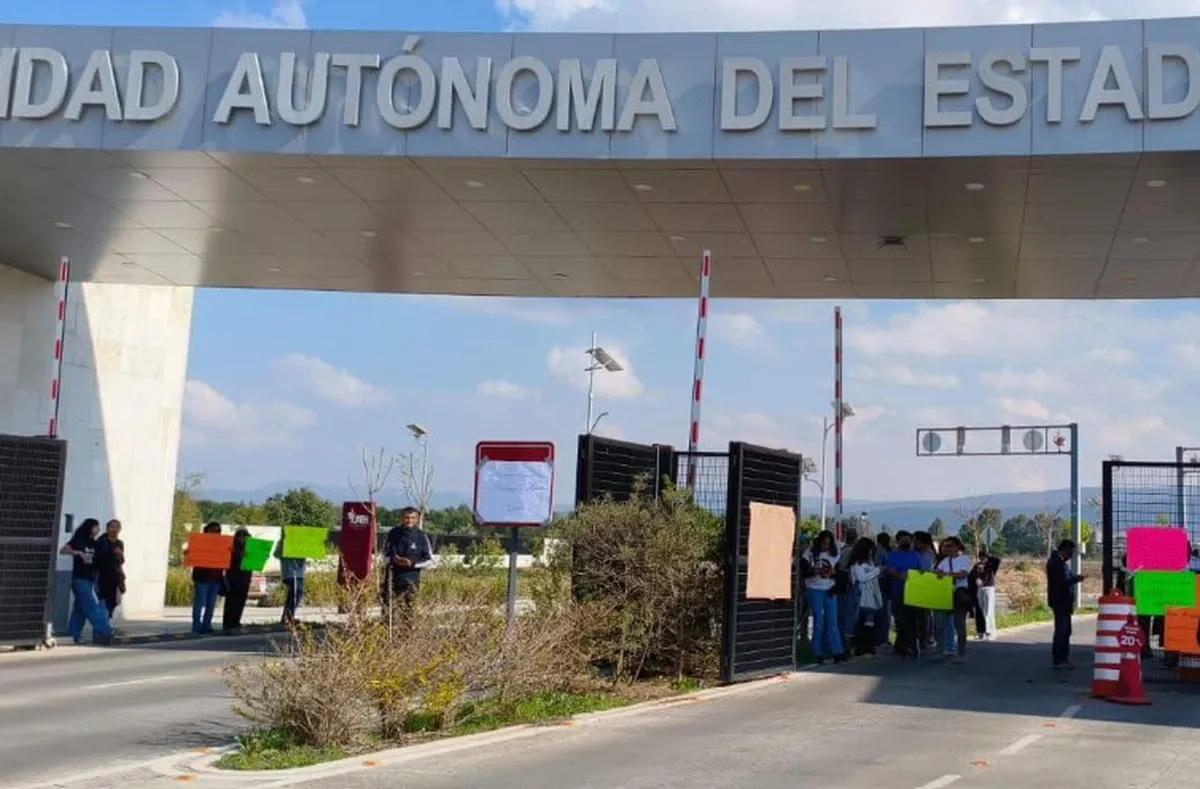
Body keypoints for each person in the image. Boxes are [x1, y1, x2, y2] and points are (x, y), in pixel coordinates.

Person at [59, 518, 114, 645]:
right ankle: (105, 631)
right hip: (80, 578)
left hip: (91, 579)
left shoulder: (94, 543)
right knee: (92, 607)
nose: (98, 530)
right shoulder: (78, 540)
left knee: (80, 611)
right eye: (96, 527)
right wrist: (78, 553)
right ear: (89, 527)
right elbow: (63, 550)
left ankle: (73, 635)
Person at [382, 507, 434, 624]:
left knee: (408, 612)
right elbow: (383, 557)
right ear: (401, 518)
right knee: (388, 612)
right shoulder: (393, 533)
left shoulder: (421, 536)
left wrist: (412, 564)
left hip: (411, 581)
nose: (409, 520)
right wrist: (392, 559)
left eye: (412, 518)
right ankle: (386, 638)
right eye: (406, 518)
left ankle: (406, 637)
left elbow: (430, 561)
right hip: (392, 579)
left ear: (417, 519)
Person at [804, 530, 845, 664]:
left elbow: (840, 574)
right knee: (818, 622)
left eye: (828, 544)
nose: (826, 546)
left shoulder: (835, 555)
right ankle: (817, 652)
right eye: (824, 543)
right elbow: (804, 571)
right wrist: (813, 571)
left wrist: (833, 574)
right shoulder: (810, 553)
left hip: (829, 589)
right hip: (815, 588)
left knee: (832, 622)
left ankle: (837, 652)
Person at [1046, 539, 1085, 669]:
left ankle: (1061, 658)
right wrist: (1075, 579)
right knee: (1062, 631)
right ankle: (1060, 659)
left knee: (1064, 631)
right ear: (1065, 550)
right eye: (1071, 552)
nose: (1071, 556)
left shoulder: (1059, 562)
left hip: (1062, 601)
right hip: (1060, 601)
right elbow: (1061, 582)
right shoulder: (1056, 563)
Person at [933, 536, 971, 664]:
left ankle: (961, 654)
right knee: (939, 624)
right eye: (945, 546)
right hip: (944, 595)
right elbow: (937, 572)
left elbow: (963, 574)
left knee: (959, 625)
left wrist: (947, 575)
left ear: (956, 547)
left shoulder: (964, 559)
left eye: (949, 546)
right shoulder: (944, 561)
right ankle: (939, 651)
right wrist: (937, 572)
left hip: (959, 595)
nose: (946, 548)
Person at [886, 531, 923, 658]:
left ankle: (908, 644)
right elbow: (890, 570)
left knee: (911, 620)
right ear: (898, 541)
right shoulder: (892, 556)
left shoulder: (915, 555)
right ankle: (905, 644)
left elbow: (921, 571)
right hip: (897, 591)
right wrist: (900, 576)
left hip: (912, 593)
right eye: (904, 540)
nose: (907, 542)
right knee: (900, 619)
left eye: (909, 540)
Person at [849, 537, 882, 658]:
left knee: (870, 622)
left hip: (870, 596)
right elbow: (862, 578)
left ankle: (869, 646)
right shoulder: (857, 563)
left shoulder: (870, 562)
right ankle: (860, 647)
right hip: (860, 596)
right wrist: (878, 571)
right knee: (860, 622)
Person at [190, 522, 224, 634]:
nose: (215, 533)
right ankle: (196, 625)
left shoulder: (222, 544)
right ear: (207, 530)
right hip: (202, 577)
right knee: (199, 602)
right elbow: (191, 555)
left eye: (217, 531)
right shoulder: (200, 542)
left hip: (216, 578)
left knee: (211, 604)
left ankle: (207, 624)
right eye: (213, 530)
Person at [274, 529, 308, 625]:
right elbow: (276, 554)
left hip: (299, 573)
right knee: (295, 594)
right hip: (290, 573)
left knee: (295, 595)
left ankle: (288, 616)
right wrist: (284, 547)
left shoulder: (300, 543)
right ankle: (288, 617)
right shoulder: (283, 544)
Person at [222, 528, 253, 632]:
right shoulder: (232, 547)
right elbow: (230, 562)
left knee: (240, 601)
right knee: (231, 601)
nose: (244, 539)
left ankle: (236, 621)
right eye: (243, 537)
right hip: (233, 578)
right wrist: (241, 556)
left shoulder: (249, 548)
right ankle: (228, 623)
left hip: (245, 578)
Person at [95, 519, 126, 620]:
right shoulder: (101, 541)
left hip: (115, 578)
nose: (114, 529)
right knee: (103, 602)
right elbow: (98, 560)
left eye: (117, 527)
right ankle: (102, 628)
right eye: (112, 527)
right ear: (107, 528)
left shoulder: (120, 543)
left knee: (113, 602)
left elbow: (121, 561)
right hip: (102, 577)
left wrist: (120, 554)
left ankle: (107, 624)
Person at [971, 547, 1001, 640]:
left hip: (988, 588)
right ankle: (981, 631)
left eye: (984, 558)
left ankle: (990, 631)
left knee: (988, 610)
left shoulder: (991, 566)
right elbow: (972, 576)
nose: (982, 559)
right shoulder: (977, 566)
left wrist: (987, 561)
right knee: (980, 610)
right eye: (981, 558)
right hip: (979, 589)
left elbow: (997, 560)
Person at [874, 533, 893, 648]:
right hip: (890, 584)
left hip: (881, 584)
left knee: (881, 611)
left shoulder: (880, 551)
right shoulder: (891, 551)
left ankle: (880, 637)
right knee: (887, 612)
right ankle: (885, 636)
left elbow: (876, 566)